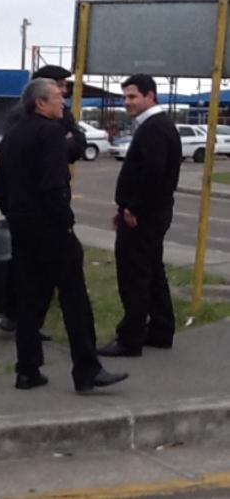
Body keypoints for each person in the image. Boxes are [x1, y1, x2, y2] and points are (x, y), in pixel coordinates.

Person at [0, 77, 127, 393]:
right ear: (40, 103)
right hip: (52, 230)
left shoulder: (11, 136)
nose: (62, 103)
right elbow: (52, 186)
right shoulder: (50, 133)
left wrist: (15, 215)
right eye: (56, 97)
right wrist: (65, 221)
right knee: (75, 299)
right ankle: (87, 370)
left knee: (29, 300)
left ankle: (27, 370)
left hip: (22, 230)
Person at [0, 65, 85, 337]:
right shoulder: (25, 121)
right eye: (60, 87)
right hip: (42, 215)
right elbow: (39, 176)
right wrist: (65, 221)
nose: (64, 92)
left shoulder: (57, 115)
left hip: (30, 212)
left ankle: (29, 350)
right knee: (65, 284)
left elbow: (78, 142)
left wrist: (62, 145)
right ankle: (84, 362)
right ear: (41, 98)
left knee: (35, 278)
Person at [98, 74, 182, 357]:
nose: (127, 102)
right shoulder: (156, 126)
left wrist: (133, 207)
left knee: (133, 275)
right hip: (151, 213)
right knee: (152, 271)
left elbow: (154, 173)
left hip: (145, 215)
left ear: (150, 96)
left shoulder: (154, 128)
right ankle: (160, 329)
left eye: (132, 96)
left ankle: (130, 338)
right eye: (125, 97)